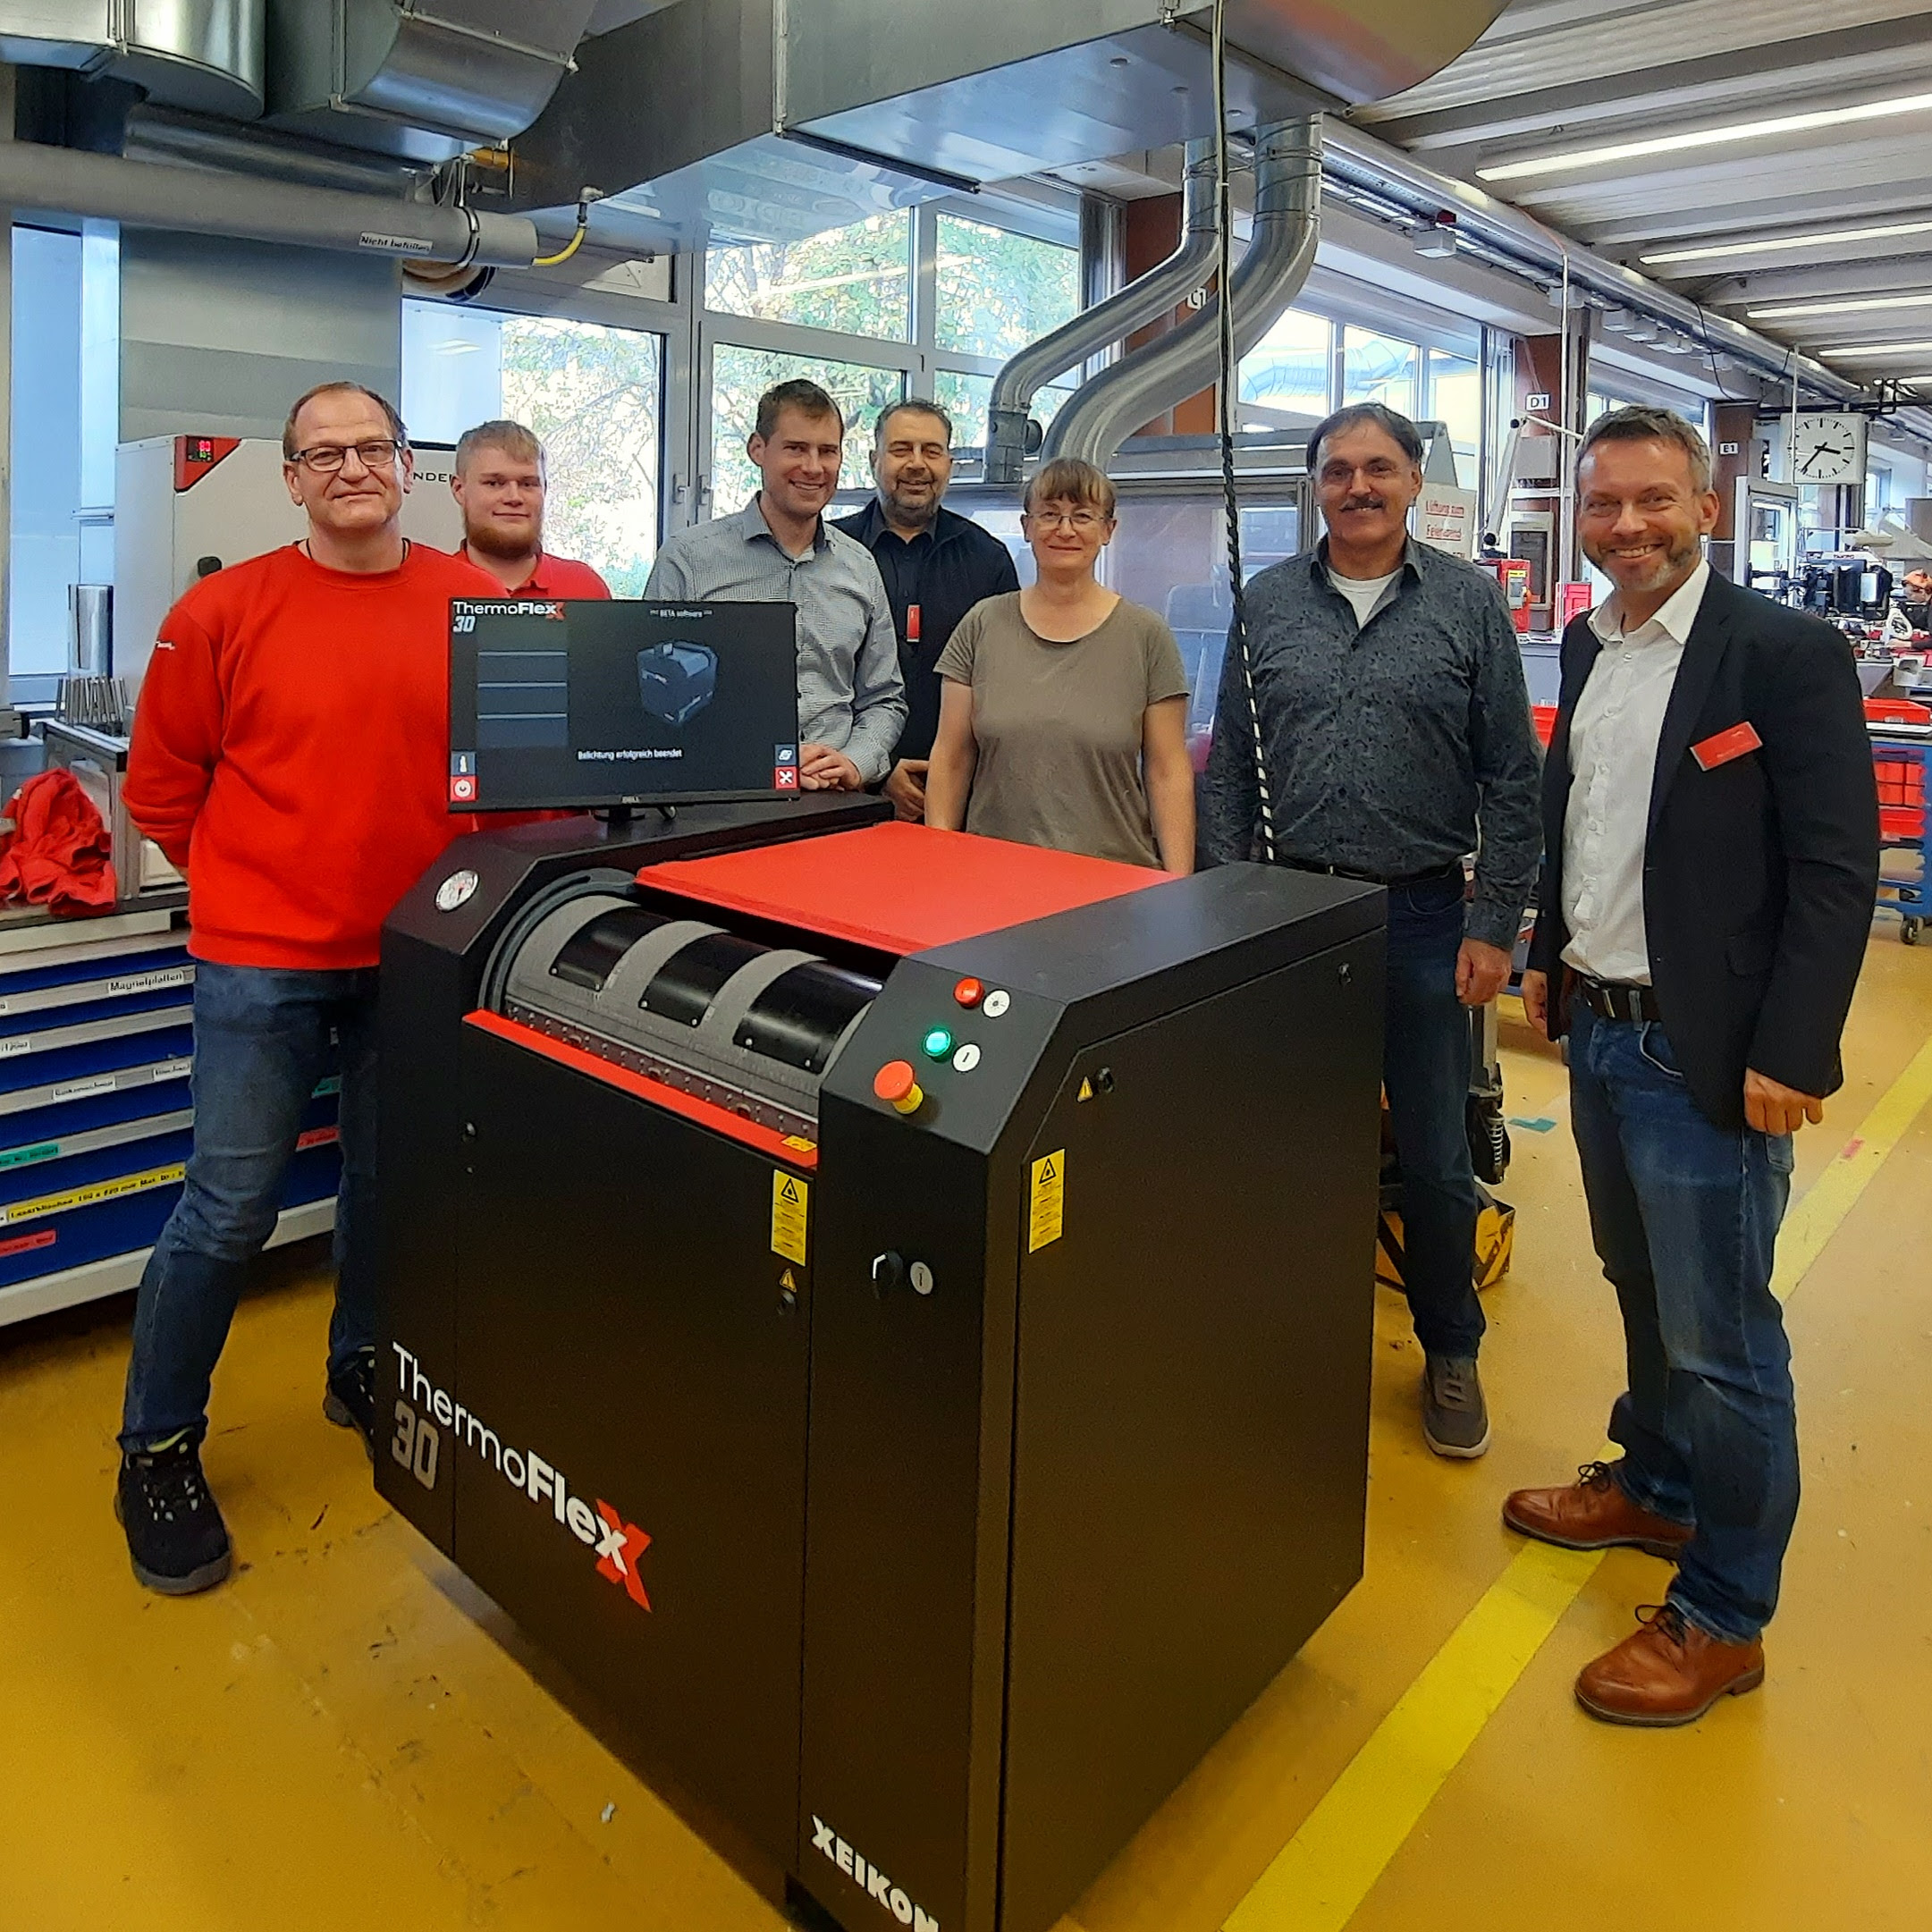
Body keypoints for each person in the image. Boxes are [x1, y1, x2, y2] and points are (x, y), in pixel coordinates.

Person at [1510, 406, 1878, 1725]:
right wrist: (1548, 953)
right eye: (1603, 504)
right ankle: (1659, 1486)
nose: (1627, 527)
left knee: (1721, 1339)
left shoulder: (1781, 653)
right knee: (1637, 1281)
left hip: (1705, 1047)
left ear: (1705, 509)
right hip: (1601, 1027)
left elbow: (1834, 867)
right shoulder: (1589, 641)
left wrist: (1793, 1046)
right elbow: (1578, 817)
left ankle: (1725, 1614)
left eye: (1653, 500)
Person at [116, 381, 500, 1596]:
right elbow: (160, 788)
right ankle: (156, 1446)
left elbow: (518, 778)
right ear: (290, 480)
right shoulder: (220, 612)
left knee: (386, 1186)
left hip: (414, 955)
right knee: (227, 1209)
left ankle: (362, 1364)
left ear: (406, 467)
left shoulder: (479, 608)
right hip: (260, 963)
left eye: (372, 447)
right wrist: (251, 886)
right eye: (323, 454)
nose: (351, 468)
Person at [1200, 401, 1541, 1459]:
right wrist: (1226, 901)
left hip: (1423, 916)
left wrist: (1495, 922)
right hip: (1290, 913)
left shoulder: (1467, 604)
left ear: (1412, 482)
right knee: (1286, 1144)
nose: (1358, 486)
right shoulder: (1265, 602)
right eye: (1338, 470)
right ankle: (1288, 1337)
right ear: (1316, 486)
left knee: (1434, 1155)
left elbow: (1512, 778)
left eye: (1378, 468)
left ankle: (1450, 1347)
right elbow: (1231, 770)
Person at [924, 458, 1194, 873]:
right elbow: (952, 756)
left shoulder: (1147, 635)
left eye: (1082, 516)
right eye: (1049, 514)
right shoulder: (982, 624)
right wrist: (938, 858)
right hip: (992, 875)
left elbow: (1167, 772)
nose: (1064, 530)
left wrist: (1179, 886)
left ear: (1108, 530)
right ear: (1026, 526)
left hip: (1114, 879)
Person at [645, 380, 905, 790]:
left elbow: (884, 698)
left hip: (836, 798)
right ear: (758, 449)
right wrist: (752, 761)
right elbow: (654, 693)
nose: (814, 467)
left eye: (827, 451)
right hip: (723, 795)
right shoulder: (688, 560)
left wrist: (855, 762)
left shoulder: (860, 567)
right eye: (796, 448)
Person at [832, 400, 1019, 820]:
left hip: (966, 796)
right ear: (874, 460)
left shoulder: (988, 559)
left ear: (949, 465)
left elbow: (1004, 688)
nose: (917, 464)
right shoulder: (831, 553)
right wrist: (879, 770)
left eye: (931, 451)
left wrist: (952, 776)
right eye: (901, 450)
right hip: (846, 792)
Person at [450, 418, 612, 598]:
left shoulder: (586, 588)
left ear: (545, 490)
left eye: (528, 484)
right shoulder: (431, 588)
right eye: (494, 483)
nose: (514, 497)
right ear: (459, 489)